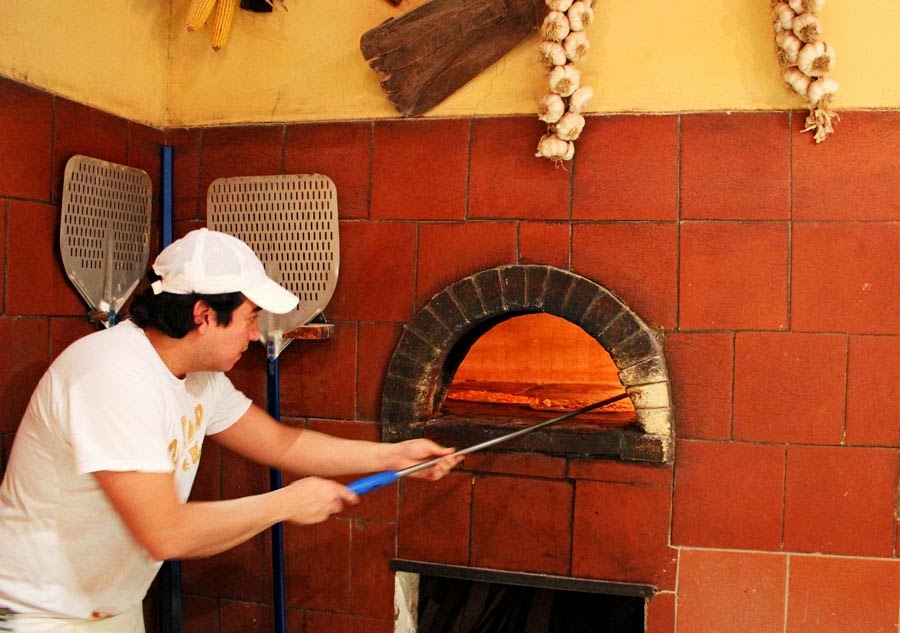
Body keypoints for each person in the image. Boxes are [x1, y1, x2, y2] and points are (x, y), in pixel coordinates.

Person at [0, 228, 461, 632]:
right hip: (36, 614)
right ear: (203, 315)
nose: (256, 335)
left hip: (110, 607)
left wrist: (395, 456)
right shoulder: (112, 376)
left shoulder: (199, 378)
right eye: (250, 318)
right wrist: (285, 503)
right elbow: (166, 533)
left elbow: (282, 443)